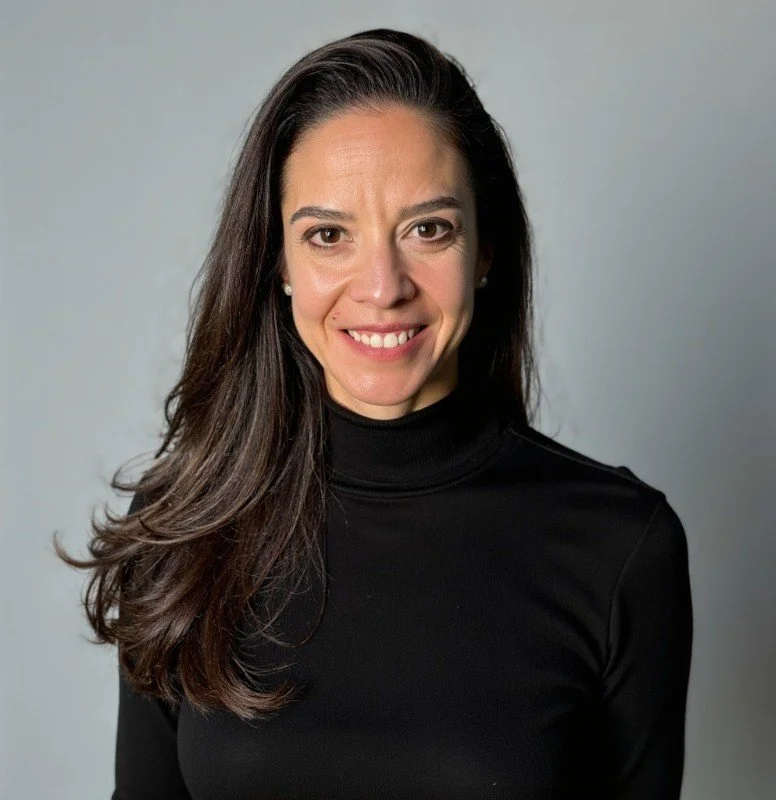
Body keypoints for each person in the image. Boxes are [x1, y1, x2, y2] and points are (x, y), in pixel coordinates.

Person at [55, 27, 693, 799]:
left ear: (484, 249)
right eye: (329, 236)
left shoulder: (620, 547)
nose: (383, 285)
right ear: (278, 263)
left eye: (428, 229)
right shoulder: (182, 529)